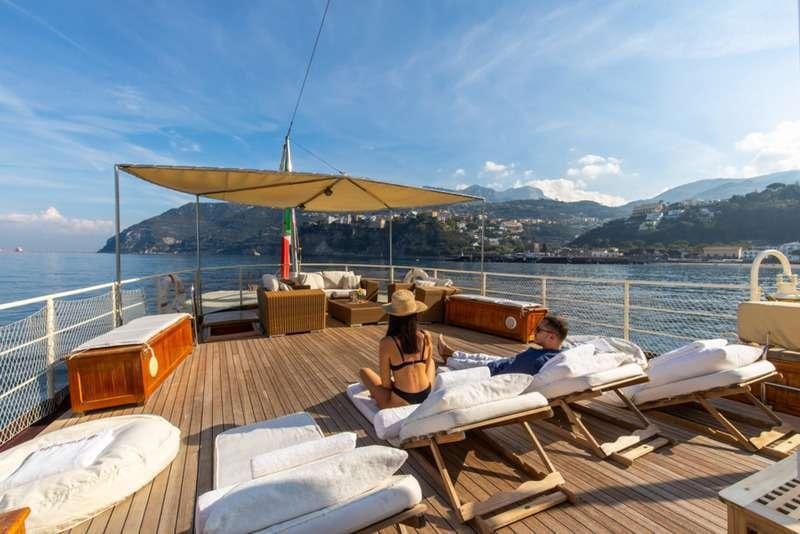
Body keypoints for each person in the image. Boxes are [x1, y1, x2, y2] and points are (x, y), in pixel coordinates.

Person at [359, 289, 435, 409]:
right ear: (415, 314)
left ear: (392, 316)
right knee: (431, 362)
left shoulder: (387, 343)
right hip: (427, 394)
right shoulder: (426, 336)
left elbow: (386, 384)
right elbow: (426, 368)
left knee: (364, 372)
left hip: (402, 400)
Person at [437, 315, 569, 376]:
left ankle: (448, 357)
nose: (534, 332)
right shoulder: (560, 353)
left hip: (497, 369)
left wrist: (493, 368)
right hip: (508, 361)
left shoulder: (536, 359)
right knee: (481, 356)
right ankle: (451, 352)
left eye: (538, 330)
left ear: (552, 337)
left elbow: (507, 371)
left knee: (473, 362)